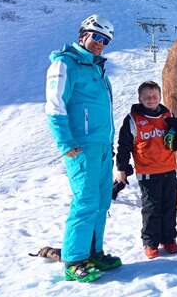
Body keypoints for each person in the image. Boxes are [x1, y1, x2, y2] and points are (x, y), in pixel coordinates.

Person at [45, 14, 121, 282]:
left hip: (101, 146)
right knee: (86, 201)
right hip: (81, 147)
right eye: (97, 37)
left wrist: (109, 145)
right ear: (83, 35)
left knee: (101, 201)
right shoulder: (66, 64)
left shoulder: (97, 68)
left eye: (105, 40)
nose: (101, 43)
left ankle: (93, 252)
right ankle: (74, 260)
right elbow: (55, 106)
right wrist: (66, 143)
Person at [114, 81, 177, 259]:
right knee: (152, 209)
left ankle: (168, 239)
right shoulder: (133, 120)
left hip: (169, 170)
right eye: (147, 97)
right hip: (147, 173)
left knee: (169, 207)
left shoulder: (168, 115)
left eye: (154, 96)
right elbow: (123, 146)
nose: (151, 100)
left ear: (160, 97)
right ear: (140, 98)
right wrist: (121, 167)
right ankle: (150, 242)